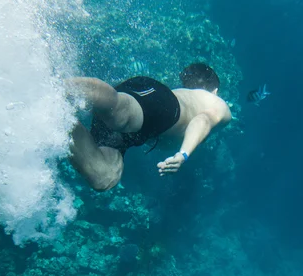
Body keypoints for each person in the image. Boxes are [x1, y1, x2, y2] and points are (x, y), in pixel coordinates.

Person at [66, 63, 232, 191]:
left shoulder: (185, 93)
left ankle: (61, 121)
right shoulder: (217, 103)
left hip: (141, 129)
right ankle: (59, 86)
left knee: (104, 176)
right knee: (119, 116)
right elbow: (203, 120)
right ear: (215, 90)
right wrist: (183, 154)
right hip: (163, 109)